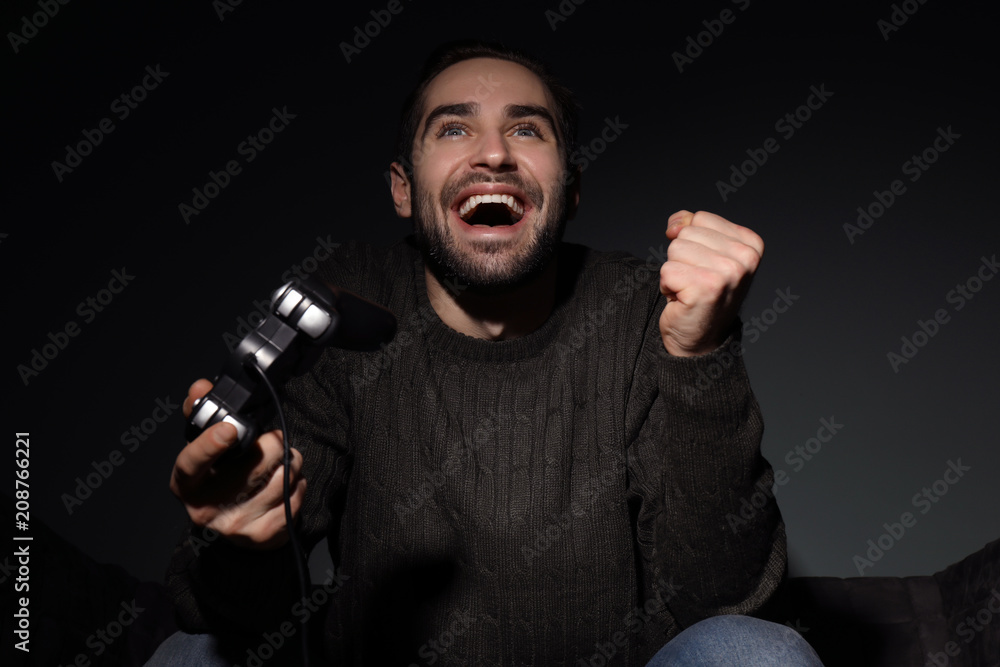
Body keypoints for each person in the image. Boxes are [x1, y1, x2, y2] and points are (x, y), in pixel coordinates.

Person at [148, 40, 823, 666]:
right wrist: (241, 539)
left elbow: (726, 602)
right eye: (453, 128)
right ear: (403, 189)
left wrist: (700, 356)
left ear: (571, 189)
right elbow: (227, 609)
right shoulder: (346, 309)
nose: (494, 154)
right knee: (192, 656)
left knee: (756, 652)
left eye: (527, 128)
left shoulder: (647, 311)